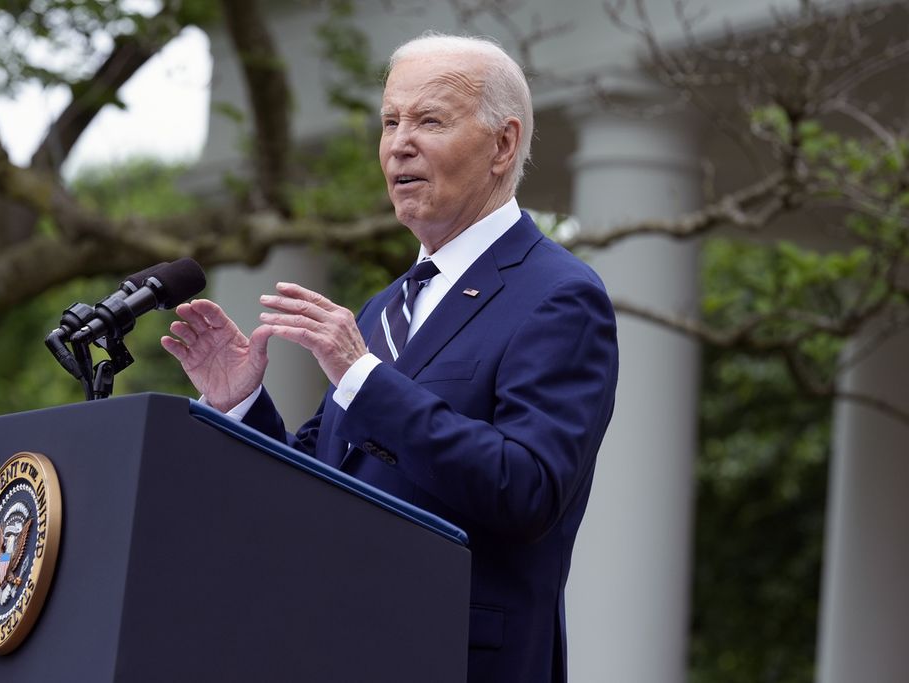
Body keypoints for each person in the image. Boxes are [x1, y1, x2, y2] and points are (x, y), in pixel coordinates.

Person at [162, 32, 618, 683]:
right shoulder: (382, 310)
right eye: (390, 121)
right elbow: (322, 478)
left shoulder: (560, 296)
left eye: (429, 120)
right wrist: (242, 403)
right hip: (339, 648)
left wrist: (364, 376)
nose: (399, 142)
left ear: (503, 144)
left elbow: (528, 488)